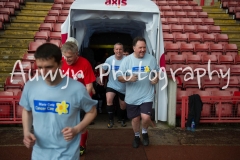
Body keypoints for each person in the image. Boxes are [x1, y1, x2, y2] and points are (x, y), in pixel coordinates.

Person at [20, 43, 97, 159]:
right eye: (40, 67)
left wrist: (77, 129)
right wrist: (26, 132)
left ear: (60, 64)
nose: (44, 72)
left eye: (49, 67)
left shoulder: (77, 89)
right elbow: (27, 110)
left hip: (67, 154)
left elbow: (92, 111)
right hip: (39, 154)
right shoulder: (30, 86)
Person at [117, 37, 159, 148]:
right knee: (135, 119)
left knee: (145, 118)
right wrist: (128, 78)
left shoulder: (151, 59)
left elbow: (157, 72)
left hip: (147, 95)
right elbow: (119, 77)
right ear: (134, 48)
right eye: (140, 47)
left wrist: (156, 78)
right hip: (132, 97)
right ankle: (136, 136)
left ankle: (144, 132)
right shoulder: (127, 60)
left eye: (144, 47)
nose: (142, 50)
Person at [61, 37, 96, 156]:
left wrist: (82, 101)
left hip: (82, 99)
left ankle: (82, 145)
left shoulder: (85, 63)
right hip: (65, 100)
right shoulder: (61, 62)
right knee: (65, 123)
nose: (67, 59)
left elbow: (89, 86)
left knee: (80, 124)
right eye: (65, 57)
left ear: (76, 54)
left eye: (69, 57)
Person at [97, 43, 127, 128]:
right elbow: (103, 68)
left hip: (123, 86)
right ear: (114, 50)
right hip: (112, 85)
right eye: (116, 49)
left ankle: (121, 118)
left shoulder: (127, 60)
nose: (118, 51)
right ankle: (110, 120)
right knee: (109, 100)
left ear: (122, 50)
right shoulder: (109, 59)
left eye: (120, 49)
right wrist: (101, 77)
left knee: (123, 105)